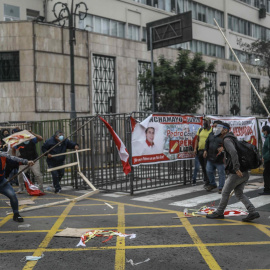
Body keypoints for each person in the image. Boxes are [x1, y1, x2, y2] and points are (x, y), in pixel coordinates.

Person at [206, 122, 260, 222]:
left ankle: (219, 212)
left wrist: (236, 168)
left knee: (225, 192)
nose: (216, 129)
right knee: (239, 193)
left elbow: (234, 152)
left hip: (237, 173)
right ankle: (252, 212)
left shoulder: (227, 140)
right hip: (244, 172)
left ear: (225, 130)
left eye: (219, 128)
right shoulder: (232, 138)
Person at [0, 151, 34, 222]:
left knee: (12, 195)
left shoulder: (2, 155)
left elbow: (14, 160)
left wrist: (26, 162)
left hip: (2, 181)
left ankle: (16, 214)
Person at [203, 120, 225, 193]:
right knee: (208, 170)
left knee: (221, 173)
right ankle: (212, 184)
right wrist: (205, 150)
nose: (214, 127)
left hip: (219, 159)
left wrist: (223, 148)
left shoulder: (223, 136)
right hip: (210, 157)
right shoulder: (211, 134)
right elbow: (207, 142)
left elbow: (229, 144)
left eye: (216, 126)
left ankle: (221, 187)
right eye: (214, 126)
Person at [193, 117, 212, 187]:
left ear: (209, 122)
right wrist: (195, 148)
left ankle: (209, 181)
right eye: (204, 121)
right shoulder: (200, 129)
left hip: (207, 151)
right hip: (200, 151)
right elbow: (197, 140)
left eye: (206, 121)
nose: (204, 123)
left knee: (208, 167)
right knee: (203, 167)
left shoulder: (212, 130)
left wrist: (206, 150)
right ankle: (207, 181)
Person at [259, 125, 270, 195]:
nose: (262, 133)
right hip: (268, 159)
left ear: (266, 131)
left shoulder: (269, 138)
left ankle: (267, 189)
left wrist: (264, 157)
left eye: (263, 131)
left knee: (266, 174)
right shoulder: (267, 138)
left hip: (268, 160)